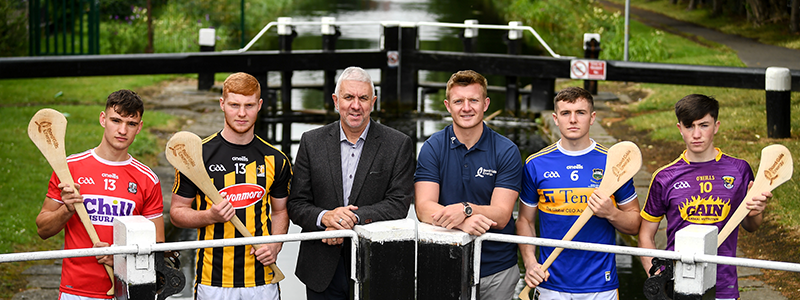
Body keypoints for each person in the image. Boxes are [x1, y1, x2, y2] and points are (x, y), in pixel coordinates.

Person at [287, 66, 415, 300]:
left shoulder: (398, 145)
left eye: (363, 98)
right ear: (336, 101)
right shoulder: (311, 142)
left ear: (373, 102)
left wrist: (351, 219)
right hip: (320, 266)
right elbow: (296, 203)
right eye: (348, 97)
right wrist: (326, 217)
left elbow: (398, 204)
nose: (356, 105)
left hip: (376, 264)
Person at [170, 72, 292, 300]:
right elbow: (177, 214)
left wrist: (275, 245)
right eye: (235, 105)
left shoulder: (276, 159)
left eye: (249, 105)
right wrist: (210, 216)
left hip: (262, 281)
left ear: (260, 105)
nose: (242, 113)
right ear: (222, 104)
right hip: (213, 281)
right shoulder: (198, 156)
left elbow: (280, 211)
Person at [639, 94, 772, 300]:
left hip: (724, 285)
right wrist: (656, 275)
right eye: (690, 126)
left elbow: (751, 225)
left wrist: (755, 212)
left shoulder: (739, 170)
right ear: (679, 129)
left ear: (716, 126)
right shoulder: (664, 177)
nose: (697, 134)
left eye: (704, 125)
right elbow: (646, 235)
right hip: (679, 284)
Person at [35, 89, 165, 300]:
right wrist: (66, 210)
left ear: (139, 127)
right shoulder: (69, 168)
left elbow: (159, 247)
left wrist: (122, 258)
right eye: (116, 120)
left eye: (131, 124)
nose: (122, 130)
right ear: (103, 119)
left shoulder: (147, 179)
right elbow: (42, 229)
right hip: (75, 291)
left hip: (126, 291)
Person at [516, 86, 641, 300]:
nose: (573, 120)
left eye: (580, 113)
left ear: (592, 118)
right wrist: (530, 263)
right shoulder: (536, 164)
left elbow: (635, 224)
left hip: (601, 285)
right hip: (549, 282)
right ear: (555, 118)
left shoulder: (613, 164)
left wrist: (611, 213)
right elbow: (525, 221)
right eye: (566, 113)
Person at [414, 70, 522, 300]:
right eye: (458, 101)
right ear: (447, 105)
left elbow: (502, 215)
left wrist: (466, 208)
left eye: (473, 100)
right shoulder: (432, 147)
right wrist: (462, 223)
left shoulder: (506, 151)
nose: (466, 108)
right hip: (444, 261)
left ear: (486, 104)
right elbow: (423, 207)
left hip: (496, 269)